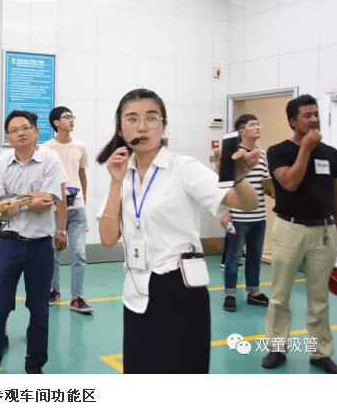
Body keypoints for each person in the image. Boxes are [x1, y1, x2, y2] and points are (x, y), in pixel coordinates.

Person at [97, 88, 260, 374]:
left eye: (152, 118)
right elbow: (108, 238)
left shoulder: (184, 168)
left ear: (164, 126)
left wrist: (237, 178)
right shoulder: (122, 174)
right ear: (121, 130)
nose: (142, 126)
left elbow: (246, 203)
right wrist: (115, 182)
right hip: (136, 289)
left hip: (181, 287)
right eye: (132, 119)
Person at [0, 110, 68, 374]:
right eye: (14, 130)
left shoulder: (50, 159)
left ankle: (34, 364)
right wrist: (29, 199)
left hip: (39, 246)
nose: (20, 133)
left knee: (39, 309)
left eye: (25, 127)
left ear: (36, 131)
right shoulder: (3, 161)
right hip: (7, 244)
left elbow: (47, 201)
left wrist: (14, 202)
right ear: (7, 137)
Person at [262, 94, 337, 374]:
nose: (314, 119)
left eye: (316, 114)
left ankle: (320, 353)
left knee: (319, 298)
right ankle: (277, 347)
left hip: (324, 232)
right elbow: (290, 183)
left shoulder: (332, 154)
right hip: (290, 229)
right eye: (307, 115)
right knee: (280, 295)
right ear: (293, 121)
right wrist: (305, 149)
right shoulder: (278, 151)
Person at [220, 114, 274, 312]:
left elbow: (265, 180)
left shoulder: (262, 154)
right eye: (253, 124)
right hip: (237, 217)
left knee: (255, 256)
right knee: (233, 258)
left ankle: (254, 292)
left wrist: (272, 191)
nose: (257, 127)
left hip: (259, 217)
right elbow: (224, 185)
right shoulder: (233, 154)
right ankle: (230, 294)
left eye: (258, 123)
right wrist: (225, 212)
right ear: (242, 131)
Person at [44, 106, 93, 313]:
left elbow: (82, 176)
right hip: (54, 209)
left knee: (79, 252)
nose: (71, 120)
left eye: (72, 116)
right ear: (56, 122)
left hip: (77, 207)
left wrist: (84, 202)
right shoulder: (46, 148)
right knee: (53, 252)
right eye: (66, 117)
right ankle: (54, 290)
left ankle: (77, 297)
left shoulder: (80, 146)